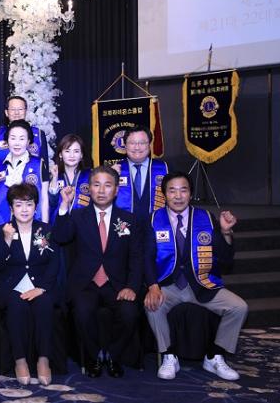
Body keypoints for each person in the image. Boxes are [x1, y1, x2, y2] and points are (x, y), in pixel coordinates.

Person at [144, 172, 246, 381]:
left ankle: (215, 356)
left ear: (190, 194)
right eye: (172, 190)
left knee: (239, 307)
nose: (178, 196)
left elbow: (226, 259)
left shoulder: (206, 218)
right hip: (169, 284)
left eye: (184, 190)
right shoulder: (154, 219)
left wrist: (225, 232)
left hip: (202, 283)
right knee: (152, 306)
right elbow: (146, 257)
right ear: (164, 194)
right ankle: (168, 355)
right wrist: (152, 286)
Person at [52, 166, 142, 378]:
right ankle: (93, 357)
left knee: (129, 313)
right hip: (86, 284)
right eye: (96, 185)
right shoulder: (78, 215)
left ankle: (112, 356)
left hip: (117, 284)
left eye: (107, 185)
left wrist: (131, 287)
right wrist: (64, 205)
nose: (101, 190)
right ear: (89, 189)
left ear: (116, 190)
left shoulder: (129, 219)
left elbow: (136, 257)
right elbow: (60, 237)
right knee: (82, 313)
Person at [0, 183, 61, 386]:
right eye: (18, 204)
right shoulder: (2, 230)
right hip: (11, 287)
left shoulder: (46, 230)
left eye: (29, 204)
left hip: (40, 285)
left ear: (35, 207)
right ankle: (20, 360)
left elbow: (54, 263)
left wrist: (42, 288)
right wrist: (6, 241)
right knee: (16, 305)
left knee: (45, 303)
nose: (24, 209)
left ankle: (43, 360)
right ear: (11, 208)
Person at [0, 120, 49, 225]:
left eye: (22, 139)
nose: (17, 143)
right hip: (4, 224)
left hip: (32, 225)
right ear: (7, 141)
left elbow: (44, 198)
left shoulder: (39, 164)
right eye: (13, 138)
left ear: (28, 141)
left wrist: (45, 226)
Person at [111, 125, 168, 223]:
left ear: (149, 144)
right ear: (125, 145)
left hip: (156, 226)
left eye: (142, 143)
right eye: (132, 143)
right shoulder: (114, 170)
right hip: (123, 227)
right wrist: (110, 178)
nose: (137, 147)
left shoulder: (164, 168)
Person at [0, 95, 49, 163]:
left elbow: (44, 164)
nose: (17, 113)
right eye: (13, 109)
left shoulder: (38, 134)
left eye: (20, 109)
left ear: (26, 111)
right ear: (6, 113)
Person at [48, 134, 92, 223]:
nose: (72, 155)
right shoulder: (53, 176)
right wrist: (54, 178)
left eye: (76, 151)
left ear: (81, 155)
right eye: (67, 151)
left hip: (84, 225)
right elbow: (52, 203)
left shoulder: (91, 175)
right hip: (58, 224)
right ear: (60, 154)